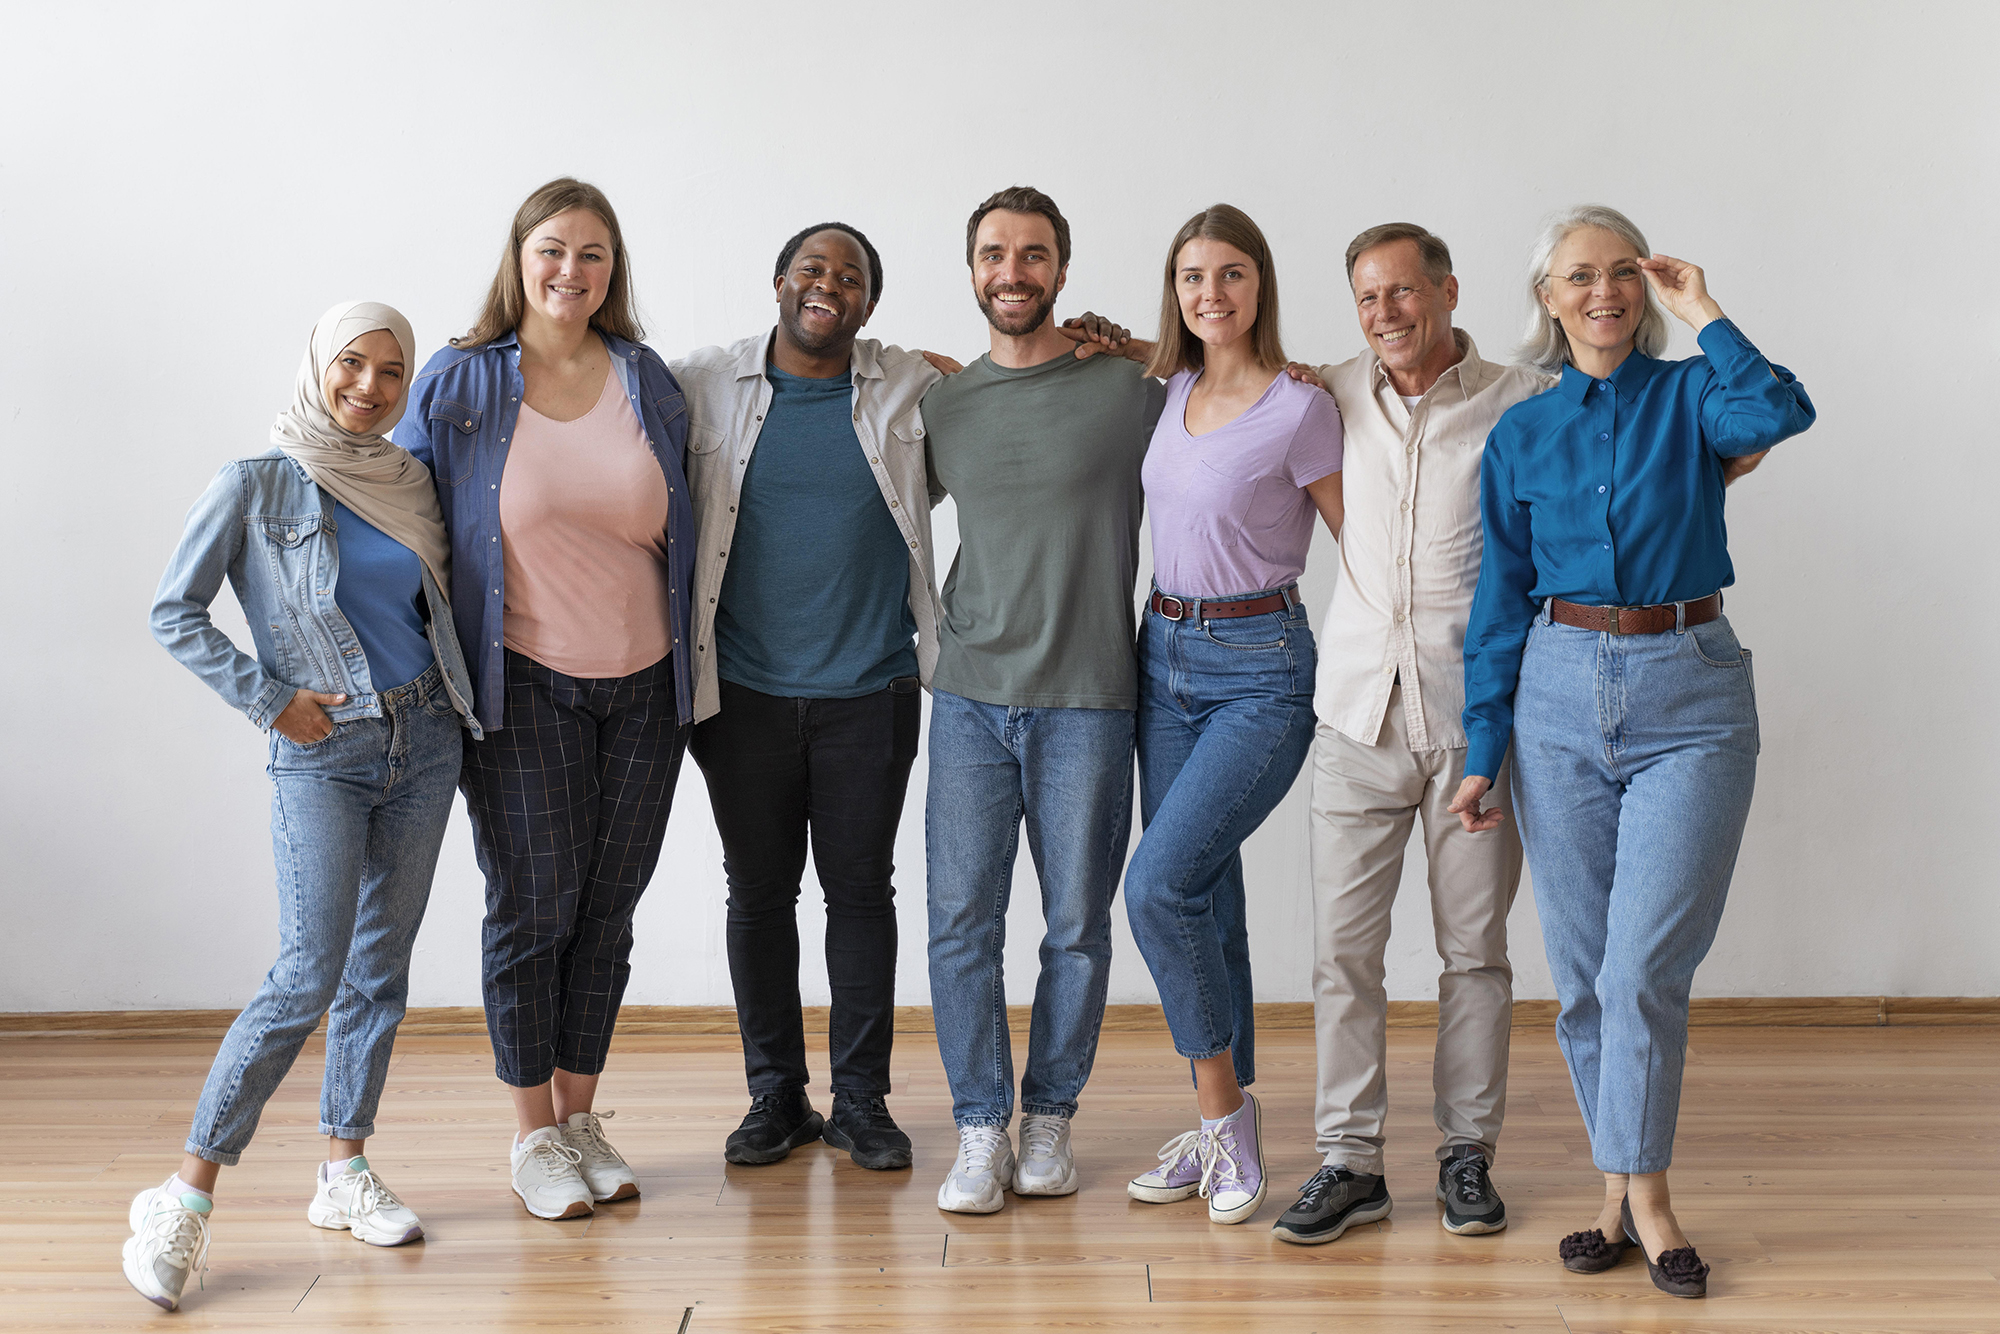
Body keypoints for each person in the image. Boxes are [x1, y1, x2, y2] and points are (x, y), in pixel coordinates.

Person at [1451, 205, 1814, 1298]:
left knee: (1640, 964)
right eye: (1577, 276)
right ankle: (1613, 1191)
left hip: (1687, 691)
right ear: (1546, 298)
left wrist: (1698, 307)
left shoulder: (1692, 393)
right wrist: (1481, 745)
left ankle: (1643, 1197)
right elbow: (1499, 598)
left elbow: (1781, 408)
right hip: (1554, 695)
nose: (1602, 291)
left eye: (1622, 274)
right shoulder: (1520, 430)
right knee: (1578, 975)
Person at [129, 302, 480, 1309]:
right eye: (352, 364)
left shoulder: (409, 479)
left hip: (425, 738)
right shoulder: (257, 481)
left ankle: (344, 1170)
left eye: (391, 371)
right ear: (319, 366)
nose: (370, 387)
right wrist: (267, 696)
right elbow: (172, 609)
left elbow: (430, 609)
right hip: (323, 750)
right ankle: (185, 1194)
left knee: (378, 968)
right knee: (304, 973)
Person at [396, 178, 696, 1222]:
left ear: (615, 273)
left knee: (606, 912)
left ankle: (577, 1117)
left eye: (594, 255)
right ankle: (529, 1131)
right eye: (553, 250)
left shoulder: (646, 380)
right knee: (534, 908)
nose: (572, 272)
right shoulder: (463, 383)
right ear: (518, 259)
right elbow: (404, 523)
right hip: (521, 682)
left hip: (648, 684)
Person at [1264, 223, 1548, 1246]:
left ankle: (1464, 1154)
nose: (1383, 313)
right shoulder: (1328, 391)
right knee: (1343, 954)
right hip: (1354, 716)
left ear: (1445, 290)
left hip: (1474, 726)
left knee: (1472, 952)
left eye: (1399, 292)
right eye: (1365, 299)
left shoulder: (1521, 399)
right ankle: (1348, 1160)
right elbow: (1208, 359)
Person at [673, 222, 941, 1172]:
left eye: (853, 276)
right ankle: (775, 1097)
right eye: (815, 269)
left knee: (862, 893)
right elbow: (593, 380)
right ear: (779, 280)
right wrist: (489, 349)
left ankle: (862, 1101)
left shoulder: (907, 385)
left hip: (870, 690)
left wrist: (1096, 340)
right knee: (760, 895)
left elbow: (1004, 379)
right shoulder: (704, 381)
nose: (831, 285)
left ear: (870, 302)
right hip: (740, 691)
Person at [921, 185, 1164, 1214]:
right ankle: (980, 1126)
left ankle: (1049, 1117)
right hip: (970, 693)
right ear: (971, 268)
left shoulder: (1126, 384)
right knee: (960, 920)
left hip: (1089, 695)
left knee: (1074, 923)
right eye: (992, 254)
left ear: (1061, 269)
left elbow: (1236, 374)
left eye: (1031, 255)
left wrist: (1140, 338)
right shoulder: (942, 402)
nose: (1010, 272)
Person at [1117, 205, 1342, 1227]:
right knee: (1206, 896)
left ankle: (1222, 1118)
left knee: (1157, 884)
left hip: (1260, 667)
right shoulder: (1169, 387)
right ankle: (1229, 1113)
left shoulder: (1301, 407)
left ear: (1262, 286)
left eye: (1231, 275)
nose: (1210, 293)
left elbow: (1362, 542)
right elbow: (1119, 350)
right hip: (1160, 655)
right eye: (1191, 276)